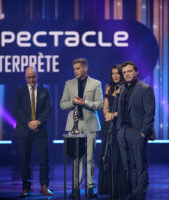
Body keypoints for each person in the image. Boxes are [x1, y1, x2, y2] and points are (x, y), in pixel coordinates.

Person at [60, 58, 103, 198]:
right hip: (74, 125)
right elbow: (62, 105)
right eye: (74, 69)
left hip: (90, 124)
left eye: (78, 68)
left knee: (90, 158)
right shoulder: (68, 83)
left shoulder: (96, 83)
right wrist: (73, 103)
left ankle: (91, 186)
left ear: (85, 68)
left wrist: (85, 103)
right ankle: (76, 187)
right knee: (76, 159)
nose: (75, 71)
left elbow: (100, 105)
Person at [117, 61, 156, 200]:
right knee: (128, 164)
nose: (127, 74)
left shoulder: (145, 88)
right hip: (123, 131)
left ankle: (141, 192)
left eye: (129, 71)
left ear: (136, 72)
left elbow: (150, 112)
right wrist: (118, 130)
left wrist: (143, 132)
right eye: (125, 72)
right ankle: (133, 191)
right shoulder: (121, 89)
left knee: (139, 164)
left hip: (137, 131)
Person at [13, 66, 53, 197]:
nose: (32, 79)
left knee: (44, 160)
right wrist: (30, 122)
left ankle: (44, 186)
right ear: (25, 78)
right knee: (25, 161)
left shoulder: (44, 91)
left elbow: (48, 109)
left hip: (41, 130)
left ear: (37, 77)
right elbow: (17, 110)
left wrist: (38, 122)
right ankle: (26, 188)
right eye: (29, 77)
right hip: (25, 130)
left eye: (34, 77)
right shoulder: (20, 92)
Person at [98, 64, 128, 198]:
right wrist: (106, 114)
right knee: (107, 155)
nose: (115, 76)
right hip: (109, 126)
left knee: (119, 156)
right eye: (113, 73)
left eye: (117, 73)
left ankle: (120, 187)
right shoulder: (109, 88)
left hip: (120, 125)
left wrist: (113, 115)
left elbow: (127, 110)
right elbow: (105, 107)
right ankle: (108, 187)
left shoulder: (126, 89)